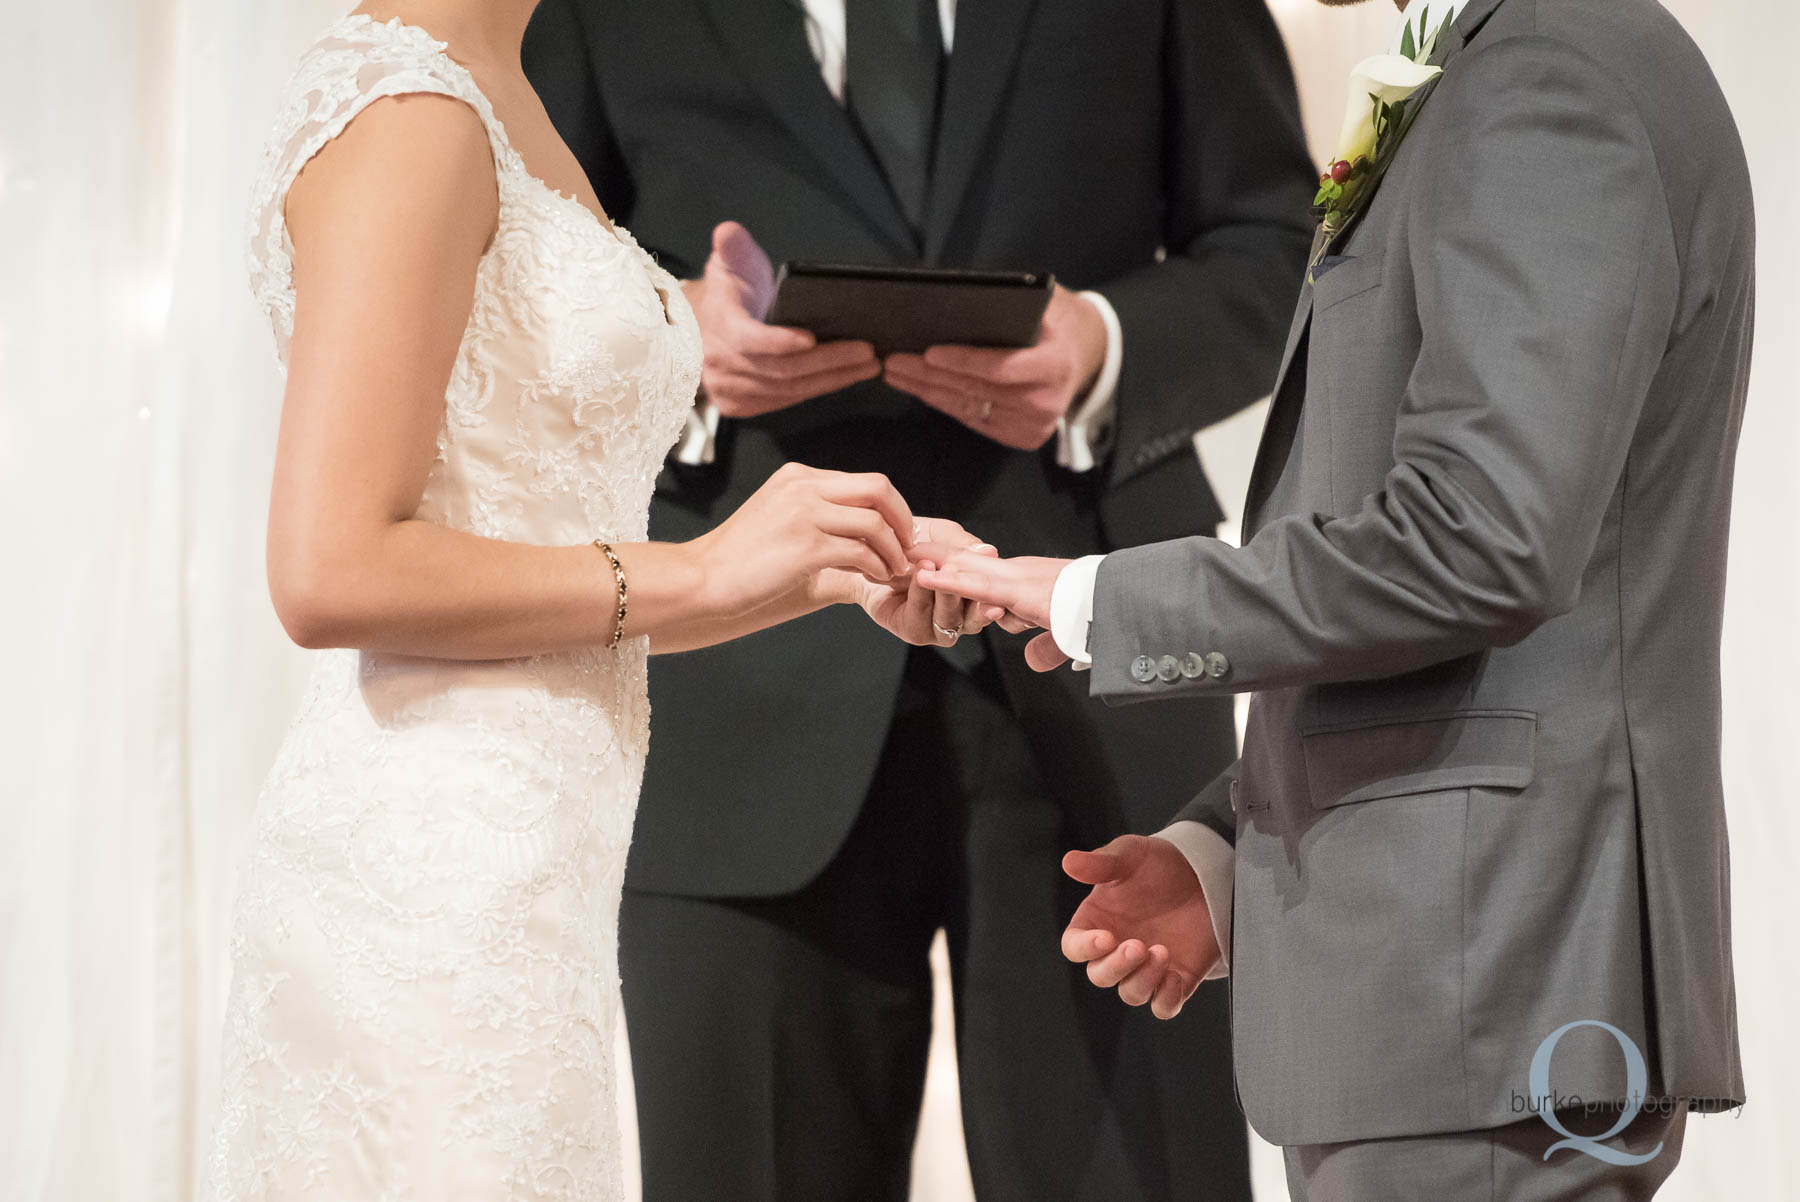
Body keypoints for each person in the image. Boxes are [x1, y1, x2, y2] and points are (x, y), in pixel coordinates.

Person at [920, 0, 1754, 1196]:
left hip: (1484, 988)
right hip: (1442, 1002)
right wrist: (1228, 844)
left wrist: (1098, 600)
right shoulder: (1489, 65)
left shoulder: (1549, 77)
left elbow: (1483, 537)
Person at [520, 0, 1315, 1197]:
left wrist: (1102, 347)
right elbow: (507, 260)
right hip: (738, 692)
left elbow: (1275, 240)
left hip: (1096, 661)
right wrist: (667, 333)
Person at [206, 3, 994, 1198]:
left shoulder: (499, 81)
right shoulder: (410, 106)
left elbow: (552, 563)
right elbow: (330, 568)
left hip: (538, 862)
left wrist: (812, 571)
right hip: (430, 869)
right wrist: (714, 564)